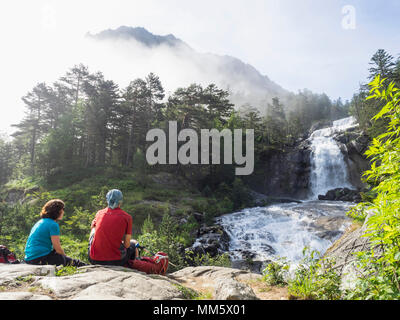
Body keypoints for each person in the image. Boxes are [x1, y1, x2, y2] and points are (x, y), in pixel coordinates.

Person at [24, 199, 86, 267]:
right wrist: (65, 257)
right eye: (63, 209)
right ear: (58, 211)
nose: (63, 212)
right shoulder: (53, 224)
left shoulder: (40, 222)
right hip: (40, 259)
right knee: (73, 262)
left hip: (29, 259)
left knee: (59, 256)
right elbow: (57, 248)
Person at [88, 189, 139, 266]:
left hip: (94, 259)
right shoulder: (127, 217)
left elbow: (94, 227)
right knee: (133, 245)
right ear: (120, 201)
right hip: (117, 261)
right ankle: (133, 267)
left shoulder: (99, 213)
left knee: (94, 227)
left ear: (107, 200)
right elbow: (127, 245)